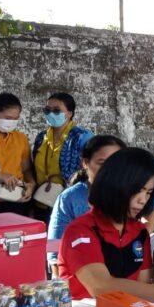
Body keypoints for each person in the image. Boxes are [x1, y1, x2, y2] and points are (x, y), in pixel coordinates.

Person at [57, 148, 154, 301]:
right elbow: (101, 287)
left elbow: (143, 284)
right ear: (115, 185)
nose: (142, 200)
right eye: (138, 190)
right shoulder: (80, 230)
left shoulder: (139, 232)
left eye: (148, 192)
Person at [31, 93, 93, 222]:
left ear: (69, 113)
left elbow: (91, 168)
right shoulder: (41, 137)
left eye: (56, 110)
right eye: (47, 110)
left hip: (68, 203)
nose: (51, 114)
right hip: (41, 199)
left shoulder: (81, 137)